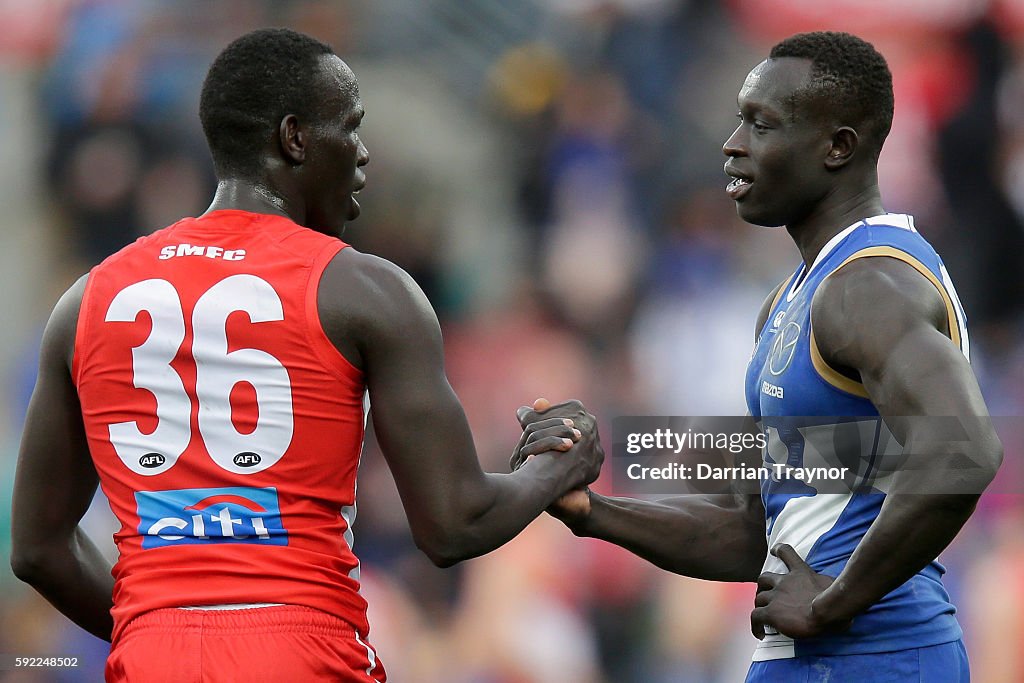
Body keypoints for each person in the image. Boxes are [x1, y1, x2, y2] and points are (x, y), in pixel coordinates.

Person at [10, 28, 602, 683]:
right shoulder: (366, 290)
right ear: (295, 139)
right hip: (302, 646)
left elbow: (38, 550)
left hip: (153, 652)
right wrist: (557, 465)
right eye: (350, 127)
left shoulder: (87, 300)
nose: (365, 155)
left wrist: (156, 621)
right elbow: (453, 523)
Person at [516, 31, 1002, 681]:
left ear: (838, 147)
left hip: (877, 654)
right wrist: (590, 510)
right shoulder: (790, 300)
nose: (733, 144)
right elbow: (755, 530)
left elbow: (966, 448)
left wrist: (836, 599)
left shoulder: (868, 286)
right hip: (809, 655)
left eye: (761, 124)